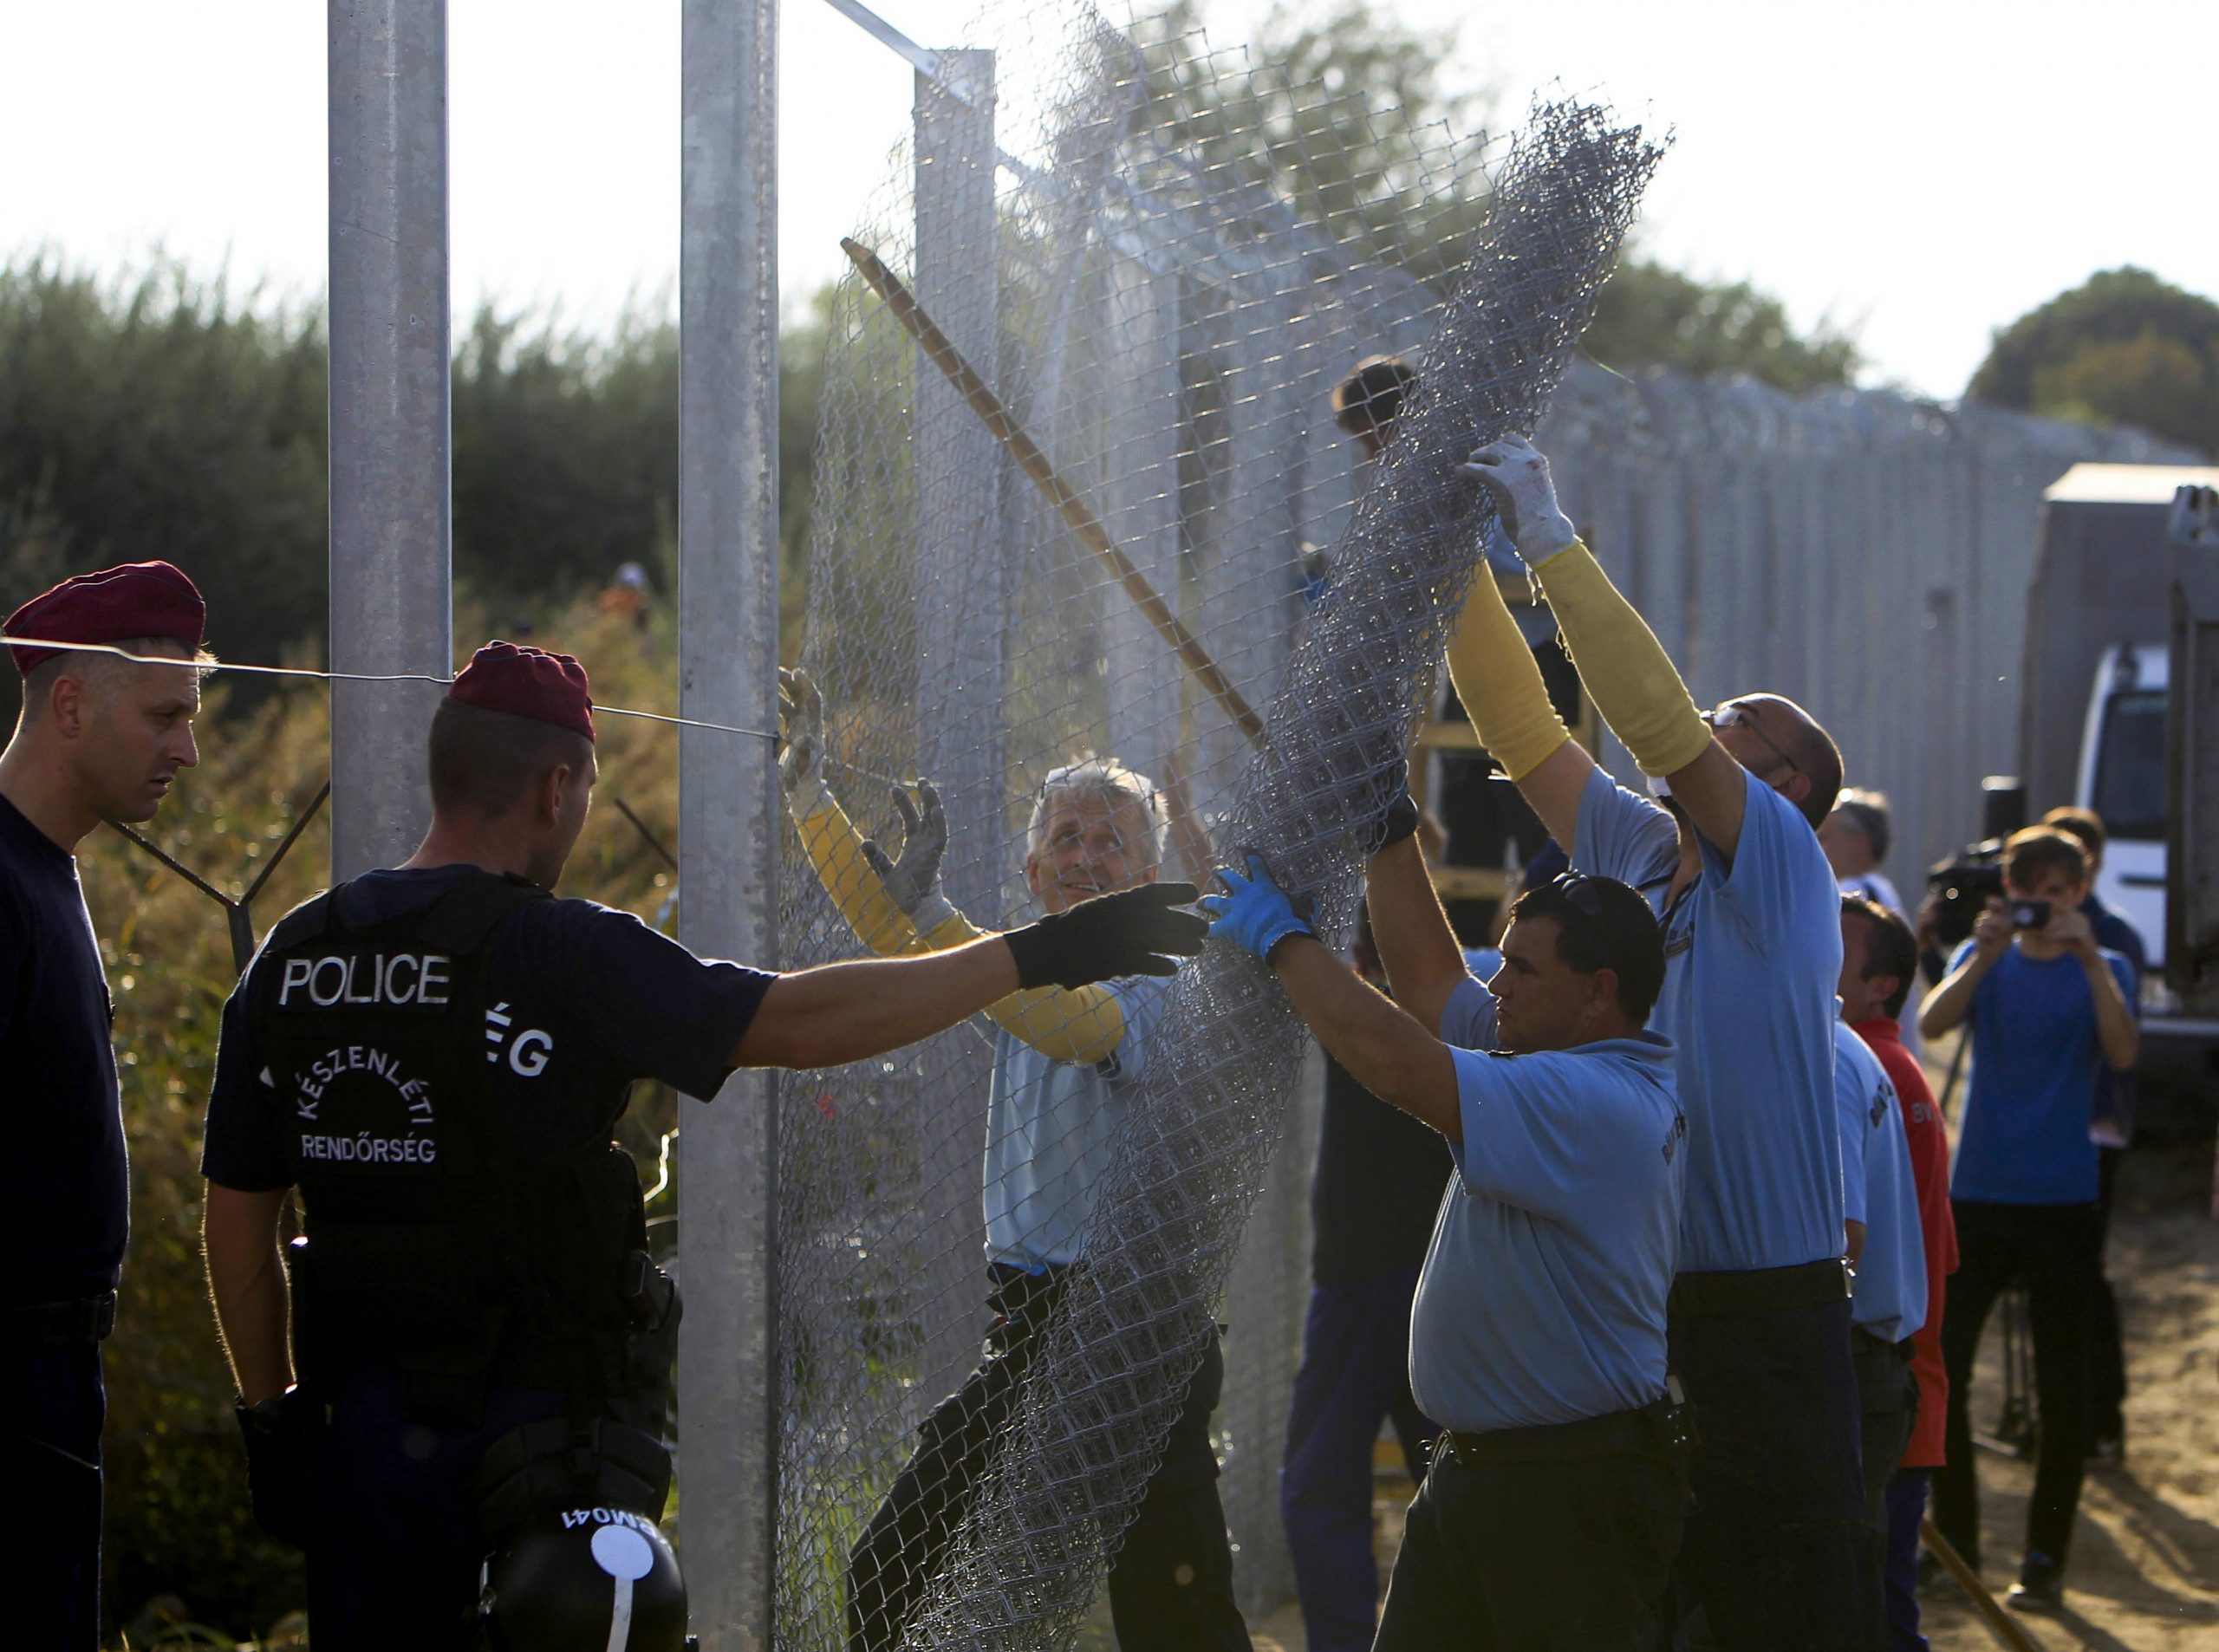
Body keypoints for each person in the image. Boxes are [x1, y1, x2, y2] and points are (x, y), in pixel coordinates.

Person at [198, 643, 1205, 1652]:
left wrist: (271, 1416)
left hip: (364, 1441)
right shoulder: (564, 950)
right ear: (556, 788)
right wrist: (1037, 950)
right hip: (538, 1445)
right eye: (587, 790)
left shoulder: (295, 955)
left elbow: (237, 1225)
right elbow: (798, 1021)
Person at [1446, 433, 1864, 1649]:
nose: (1715, 725)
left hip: (1767, 1315)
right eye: (1724, 715)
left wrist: (1547, 538)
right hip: (1635, 1299)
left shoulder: (1779, 865)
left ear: (1787, 787)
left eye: (1745, 729)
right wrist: (1448, 567)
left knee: (1788, 1616)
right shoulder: (1634, 850)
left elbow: (1661, 725)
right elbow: (1524, 733)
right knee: (1643, 1603)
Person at [777, 677, 1249, 1652]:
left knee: (1175, 1619)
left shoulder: (1165, 974)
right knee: (890, 1576)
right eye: (1066, 839)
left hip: (1137, 1336)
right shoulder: (1015, 967)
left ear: (1148, 872)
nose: (1086, 857)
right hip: (1030, 1336)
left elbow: (1076, 1028)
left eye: (1111, 840)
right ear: (1034, 870)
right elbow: (903, 943)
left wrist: (943, 917)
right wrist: (810, 798)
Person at [1202, 810, 1689, 1650]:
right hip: (1483, 1473)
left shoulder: (1595, 1099)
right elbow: (1429, 983)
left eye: (1521, 969)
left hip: (1566, 1491)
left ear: (1597, 992)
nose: (1497, 987)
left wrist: (1284, 942)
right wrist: (1386, 822)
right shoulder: (1549, 1051)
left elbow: (1398, 1064)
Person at [0, 561, 209, 1650]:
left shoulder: (46, 867)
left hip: (51, 1386)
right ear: (71, 706)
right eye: (165, 716)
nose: (189, 749)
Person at [1921, 826, 2138, 1614]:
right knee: (1943, 1370)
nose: (2042, 907)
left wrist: (2089, 960)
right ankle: (1960, 1545)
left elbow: (2122, 1055)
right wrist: (1981, 955)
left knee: (2061, 1390)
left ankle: (2044, 1561)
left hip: (2063, 1200)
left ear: (2079, 894)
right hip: (1980, 1194)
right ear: (2008, 893)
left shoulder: (2106, 966)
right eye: (2029, 893)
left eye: (2057, 894)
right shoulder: (1988, 956)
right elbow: (1935, 1024)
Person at [1279, 903, 1448, 1652]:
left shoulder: (1356, 1012)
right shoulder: (1475, 1013)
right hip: (1441, 1284)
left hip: (1359, 1284)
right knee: (1455, 1478)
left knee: (1320, 1484)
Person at [1840, 894, 1955, 1652]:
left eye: (1836, 945)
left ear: (1881, 985)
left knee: (1875, 1616)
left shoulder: (1858, 1064)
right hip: (1904, 1387)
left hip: (1882, 1387)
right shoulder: (1894, 1065)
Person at [2039, 804, 2146, 1464]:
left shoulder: (2115, 936)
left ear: (2091, 870)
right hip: (2041, 1134)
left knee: (2085, 1277)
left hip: (2094, 1129)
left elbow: (2122, 1046)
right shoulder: (2024, 931)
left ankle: (2103, 1417)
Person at [1832, 1007, 1925, 1649]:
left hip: (1849, 1364)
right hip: (1866, 1364)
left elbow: (1846, 1236)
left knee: (1829, 1597)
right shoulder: (1843, 1047)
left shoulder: (1825, 1057)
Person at [1822, 789, 1904, 914]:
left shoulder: (1851, 891)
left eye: (1824, 838)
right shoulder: (1883, 890)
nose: (1820, 847)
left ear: (1860, 843)